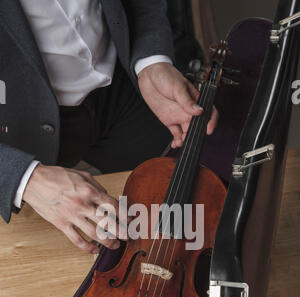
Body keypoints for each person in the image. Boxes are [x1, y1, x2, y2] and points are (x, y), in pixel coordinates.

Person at [0, 0, 218, 254]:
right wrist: (24, 178)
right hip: (14, 130)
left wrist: (152, 61)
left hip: (123, 87)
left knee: (203, 202)